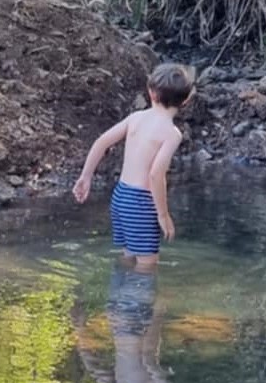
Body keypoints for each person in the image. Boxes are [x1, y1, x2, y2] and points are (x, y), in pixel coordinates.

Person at [72, 62, 195, 266]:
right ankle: (137, 298)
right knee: (147, 264)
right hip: (141, 203)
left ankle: (119, 297)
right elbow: (156, 175)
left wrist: (86, 177)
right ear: (186, 101)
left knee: (128, 257)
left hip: (120, 197)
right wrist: (163, 215)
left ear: (151, 93)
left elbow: (101, 142)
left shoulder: (136, 118)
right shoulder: (172, 134)